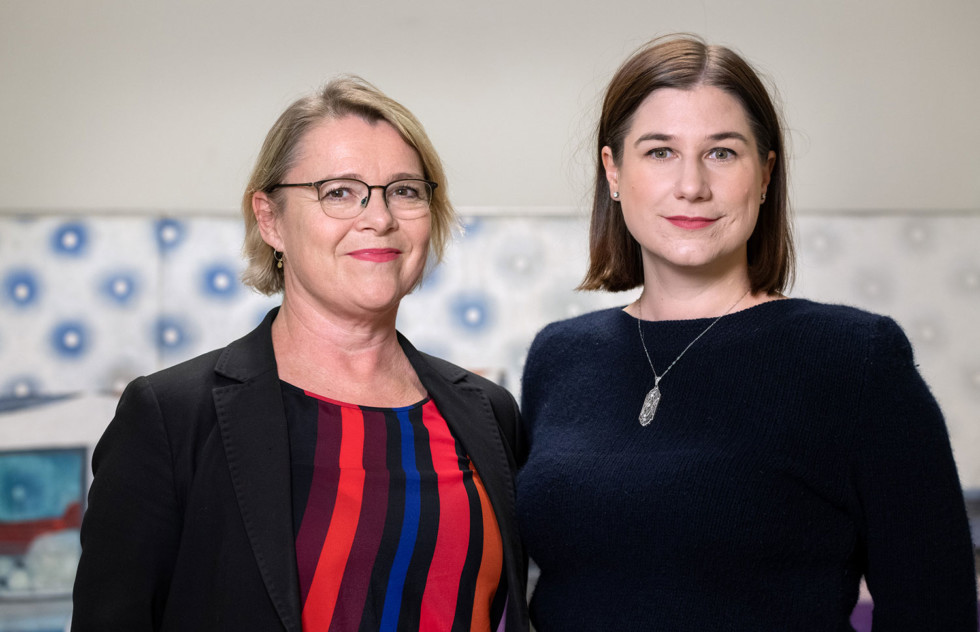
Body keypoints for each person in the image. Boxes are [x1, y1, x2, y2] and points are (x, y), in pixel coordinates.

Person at [516, 34, 977, 631]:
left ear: (764, 174)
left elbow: (934, 613)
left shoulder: (856, 360)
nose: (691, 186)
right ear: (613, 172)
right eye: (659, 152)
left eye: (722, 153)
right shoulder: (559, 356)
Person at [72, 76, 529, 632]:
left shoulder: (489, 413)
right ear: (270, 220)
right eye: (339, 191)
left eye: (405, 190)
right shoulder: (170, 418)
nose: (378, 217)